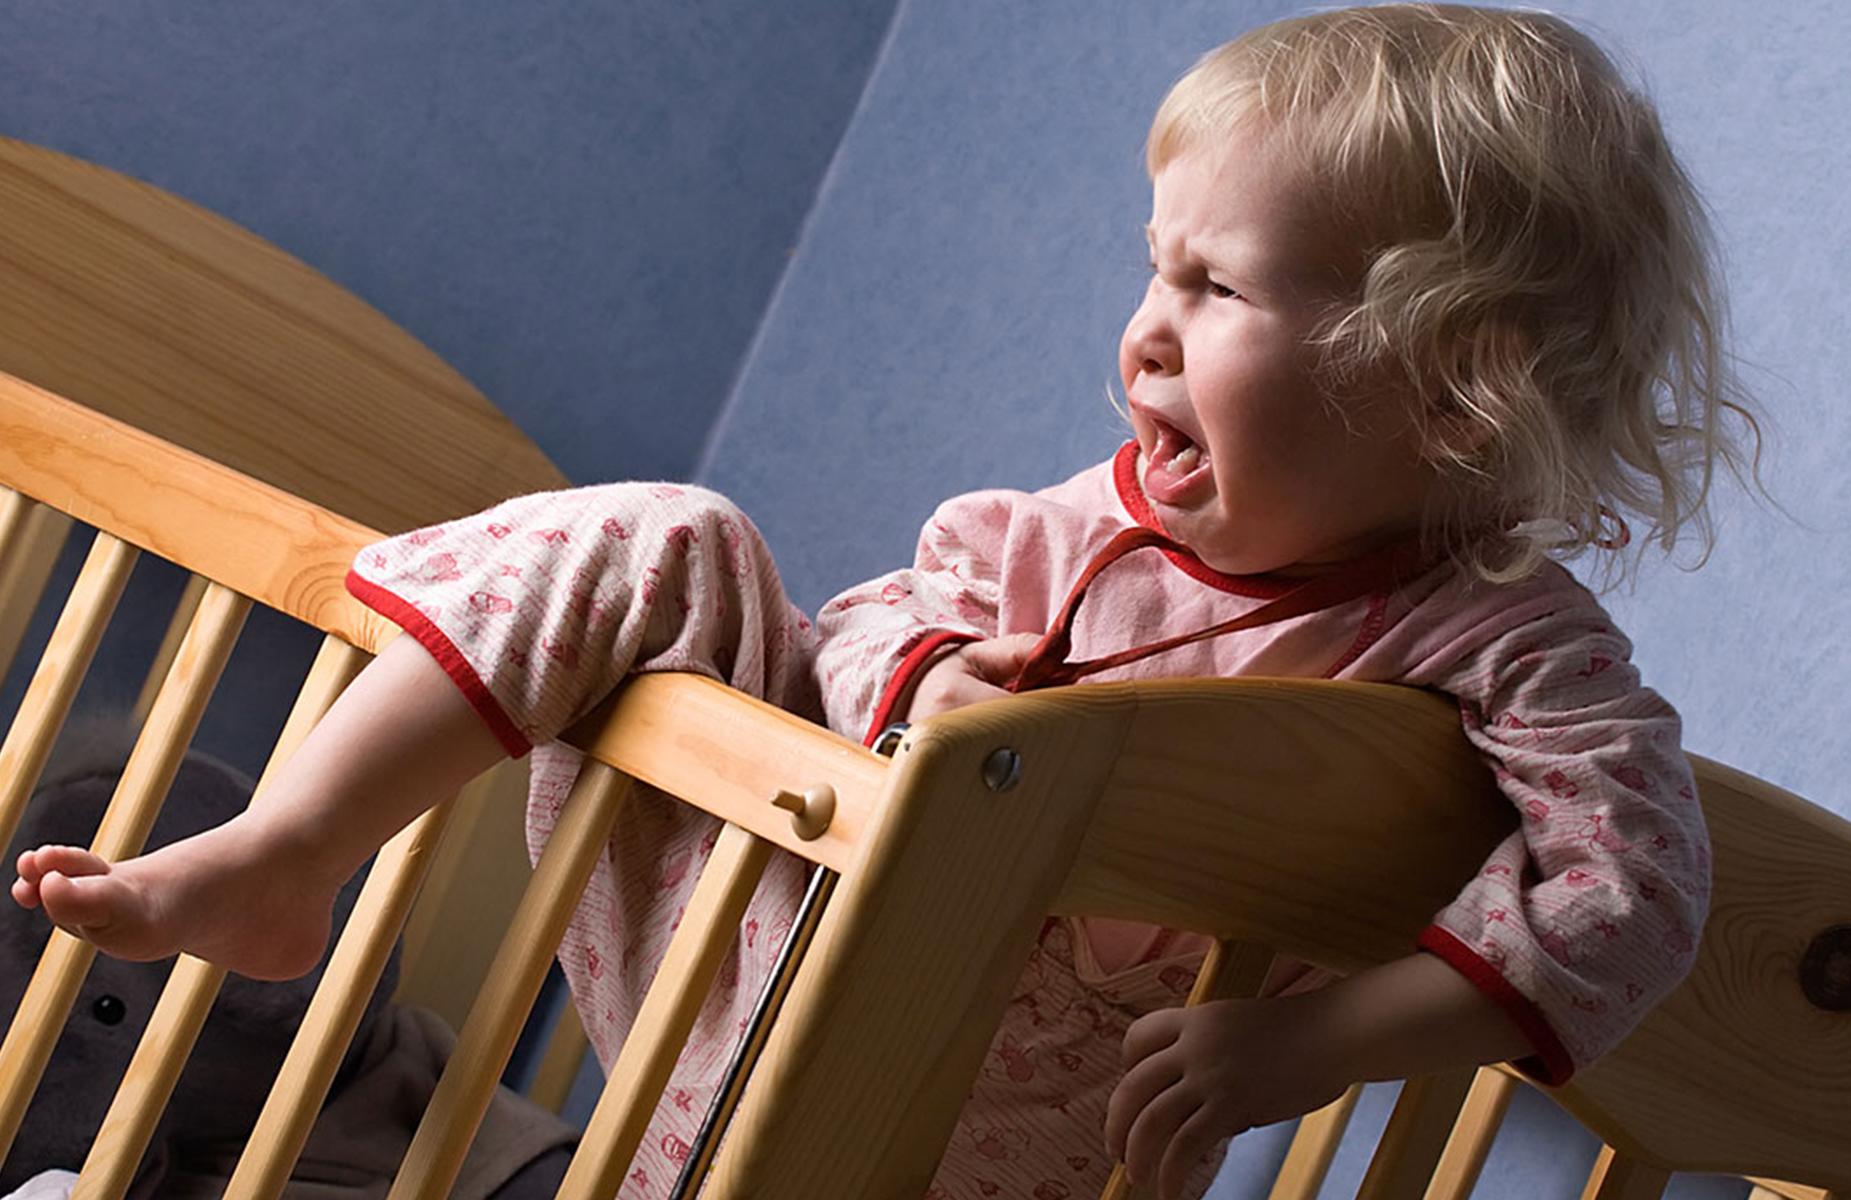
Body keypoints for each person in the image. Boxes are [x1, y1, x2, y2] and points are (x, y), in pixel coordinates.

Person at [13, 6, 1758, 1197]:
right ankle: (287, 855)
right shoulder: (1074, 523)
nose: (1144, 330)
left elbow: (1644, 878)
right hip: (727, 958)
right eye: (1154, 268)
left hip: (966, 1145)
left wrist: (1321, 1040)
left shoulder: (1494, 644)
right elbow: (875, 612)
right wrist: (931, 685)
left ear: (1451, 391)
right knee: (669, 536)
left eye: (1215, 286)